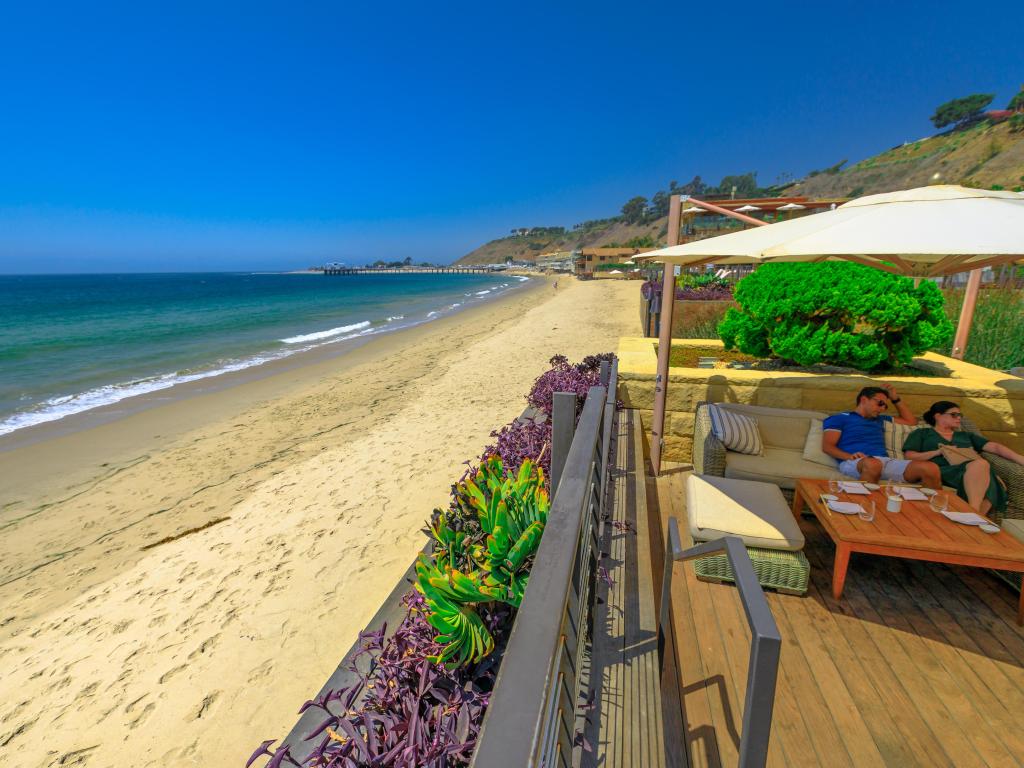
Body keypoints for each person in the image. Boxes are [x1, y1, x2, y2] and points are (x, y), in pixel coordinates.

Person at [902, 401, 1023, 516]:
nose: (959, 418)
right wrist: (937, 452)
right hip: (942, 472)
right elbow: (910, 456)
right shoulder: (922, 433)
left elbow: (995, 447)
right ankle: (974, 512)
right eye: (954, 415)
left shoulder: (965, 435)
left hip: (972, 473)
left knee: (982, 467)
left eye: (960, 415)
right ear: (938, 416)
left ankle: (973, 517)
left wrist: (1019, 458)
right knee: (986, 470)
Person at [822, 385, 941, 487]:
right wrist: (850, 456)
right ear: (864, 400)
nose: (883, 408)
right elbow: (828, 446)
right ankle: (864, 506)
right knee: (873, 464)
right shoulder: (840, 418)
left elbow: (911, 421)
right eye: (880, 403)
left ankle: (935, 511)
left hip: (883, 461)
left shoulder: (880, 419)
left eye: (885, 406)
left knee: (930, 468)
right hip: (856, 462)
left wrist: (895, 399)